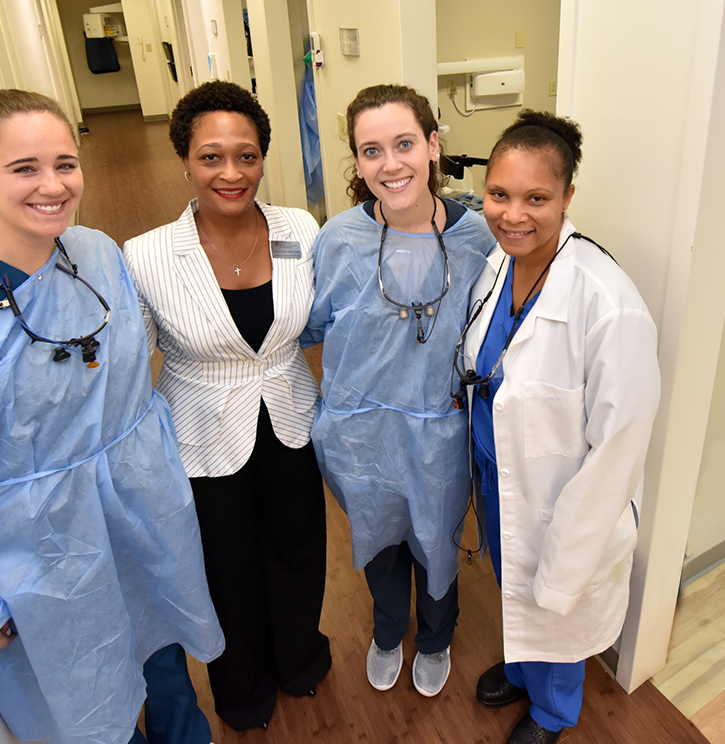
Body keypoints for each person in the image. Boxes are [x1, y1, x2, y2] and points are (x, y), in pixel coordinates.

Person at [0, 88, 224, 744]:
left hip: (139, 524)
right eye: (24, 168)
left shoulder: (96, 254)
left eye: (65, 163)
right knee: (91, 703)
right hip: (43, 561)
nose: (53, 186)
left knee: (165, 664)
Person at [123, 80, 331, 731]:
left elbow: (322, 319)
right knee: (226, 567)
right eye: (211, 156)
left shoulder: (300, 227)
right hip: (199, 427)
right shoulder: (147, 254)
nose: (231, 172)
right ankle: (241, 691)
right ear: (184, 160)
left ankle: (300, 658)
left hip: (290, 411)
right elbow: (130, 366)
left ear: (263, 157)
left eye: (246, 155)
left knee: (298, 548)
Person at [454, 110, 660, 744]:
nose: (512, 214)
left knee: (555, 597)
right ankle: (523, 668)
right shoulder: (499, 264)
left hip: (561, 498)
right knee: (512, 578)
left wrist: (573, 554)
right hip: (497, 472)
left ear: (568, 196)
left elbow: (617, 448)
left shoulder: (608, 302)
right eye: (499, 195)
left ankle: (552, 712)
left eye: (536, 198)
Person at [302, 85, 494, 697]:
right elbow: (309, 326)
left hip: (438, 428)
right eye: (371, 150)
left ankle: (435, 639)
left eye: (405, 144)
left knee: (436, 541)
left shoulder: (480, 243)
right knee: (379, 539)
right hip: (359, 430)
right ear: (357, 163)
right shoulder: (338, 239)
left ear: (434, 145)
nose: (391, 164)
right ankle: (389, 630)